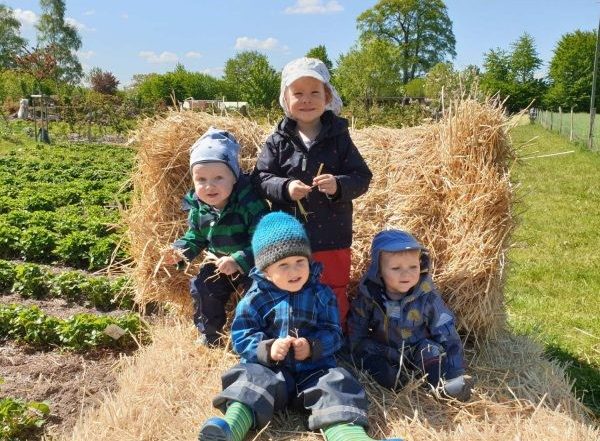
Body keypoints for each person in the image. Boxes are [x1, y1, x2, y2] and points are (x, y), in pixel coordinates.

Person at [198, 212, 403, 441]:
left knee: (337, 384)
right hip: (272, 373)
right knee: (249, 378)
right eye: (283, 265)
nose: (294, 271)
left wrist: (313, 346)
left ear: (309, 261)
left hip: (314, 371)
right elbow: (241, 334)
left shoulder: (321, 293)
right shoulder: (255, 298)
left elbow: (333, 332)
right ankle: (230, 428)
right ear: (266, 270)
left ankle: (352, 436)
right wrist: (267, 349)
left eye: (299, 262)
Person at [252, 57, 372, 331]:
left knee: (333, 286)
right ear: (286, 98)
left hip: (333, 233)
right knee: (292, 286)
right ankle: (294, 334)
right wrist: (285, 188)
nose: (307, 100)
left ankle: (334, 337)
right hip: (290, 237)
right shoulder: (278, 140)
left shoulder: (339, 137)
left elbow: (362, 177)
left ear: (327, 96)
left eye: (314, 92)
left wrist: (339, 185)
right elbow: (260, 178)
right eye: (298, 93)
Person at [163, 127, 269, 347]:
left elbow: (263, 240)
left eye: (218, 177)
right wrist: (180, 251)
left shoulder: (249, 202)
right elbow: (196, 236)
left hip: (252, 262)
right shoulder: (199, 207)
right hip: (219, 263)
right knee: (203, 288)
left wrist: (238, 260)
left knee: (257, 292)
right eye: (200, 179)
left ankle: (254, 335)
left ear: (234, 176)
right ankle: (211, 335)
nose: (209, 186)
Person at [347, 230, 472, 401]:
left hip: (417, 347)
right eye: (396, 268)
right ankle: (392, 379)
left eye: (413, 267)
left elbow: (446, 329)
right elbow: (358, 324)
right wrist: (355, 351)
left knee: (430, 351)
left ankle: (445, 385)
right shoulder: (370, 294)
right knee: (367, 352)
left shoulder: (427, 295)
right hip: (384, 348)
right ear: (379, 270)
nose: (406, 274)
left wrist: (455, 368)